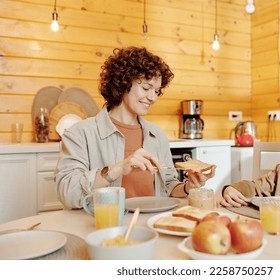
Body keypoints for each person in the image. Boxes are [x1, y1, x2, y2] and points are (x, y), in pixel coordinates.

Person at [55, 46, 215, 209]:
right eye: (146, 88)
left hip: (152, 222)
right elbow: (67, 193)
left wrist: (188, 187)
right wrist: (118, 168)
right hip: (107, 225)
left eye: (157, 91)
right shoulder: (80, 133)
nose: (152, 98)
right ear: (123, 84)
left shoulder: (157, 135)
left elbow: (168, 186)